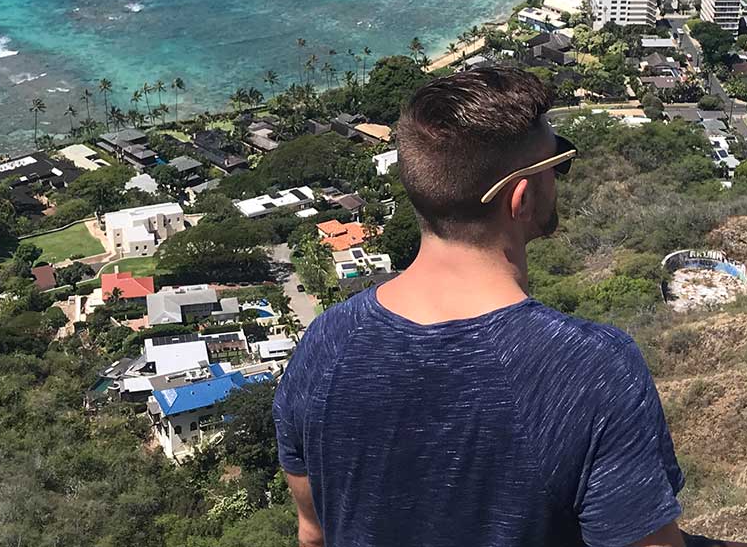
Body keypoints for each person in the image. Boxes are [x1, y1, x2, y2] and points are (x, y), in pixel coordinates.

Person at [273, 67, 695, 546]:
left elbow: (313, 535)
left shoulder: (324, 344)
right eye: (557, 162)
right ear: (522, 195)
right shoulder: (591, 370)